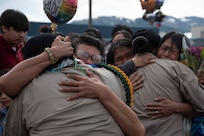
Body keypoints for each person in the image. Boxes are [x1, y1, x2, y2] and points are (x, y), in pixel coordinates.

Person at [3, 33, 145, 136]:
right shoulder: (112, 77)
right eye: (82, 55)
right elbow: (138, 131)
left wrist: (103, 92)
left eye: (95, 58)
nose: (88, 62)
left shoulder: (27, 92)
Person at [118, 29, 204, 135]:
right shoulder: (175, 68)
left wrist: (175, 107)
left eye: (172, 51)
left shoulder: (124, 73)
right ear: (156, 49)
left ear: (184, 54)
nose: (166, 54)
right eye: (164, 49)